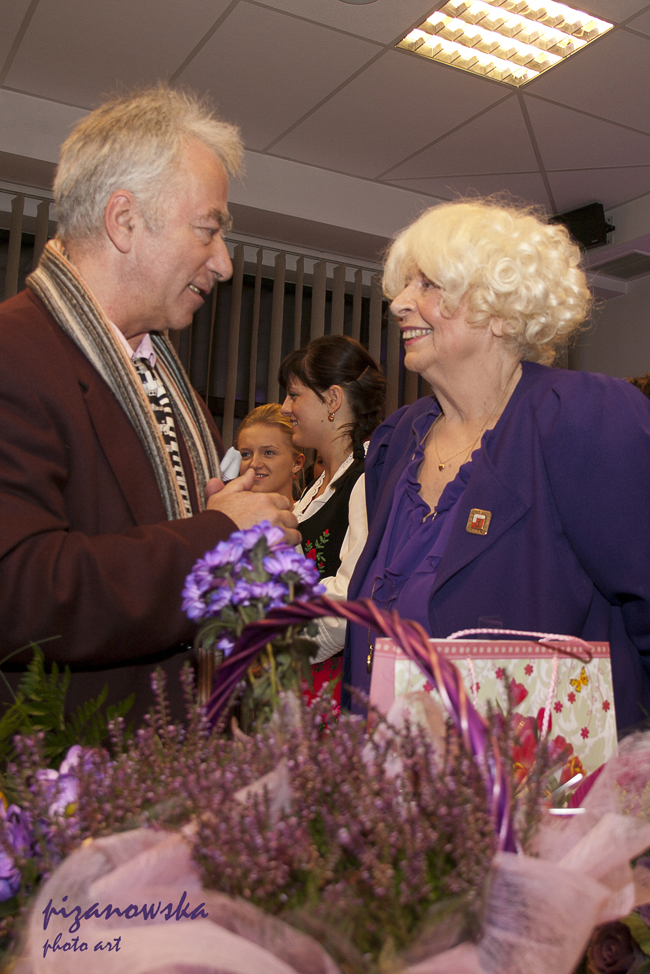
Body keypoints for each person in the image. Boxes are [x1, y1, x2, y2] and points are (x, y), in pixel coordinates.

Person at [0, 87, 298, 715]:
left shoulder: (160, 372)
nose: (224, 263)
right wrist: (220, 534)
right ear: (124, 221)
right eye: (208, 230)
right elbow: (22, 591)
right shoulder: (13, 353)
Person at [343, 199, 650, 732]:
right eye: (404, 285)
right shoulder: (397, 440)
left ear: (500, 309)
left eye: (428, 284)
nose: (400, 303)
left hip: (542, 769)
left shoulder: (581, 415)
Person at [279, 335, 385, 703]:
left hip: (332, 686)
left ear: (333, 400)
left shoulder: (367, 478)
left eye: (294, 395)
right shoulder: (320, 485)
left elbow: (350, 598)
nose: (285, 408)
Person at [235, 403, 305, 504]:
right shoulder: (222, 513)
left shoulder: (312, 513)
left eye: (268, 453)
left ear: (297, 463)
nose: (254, 464)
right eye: (246, 454)